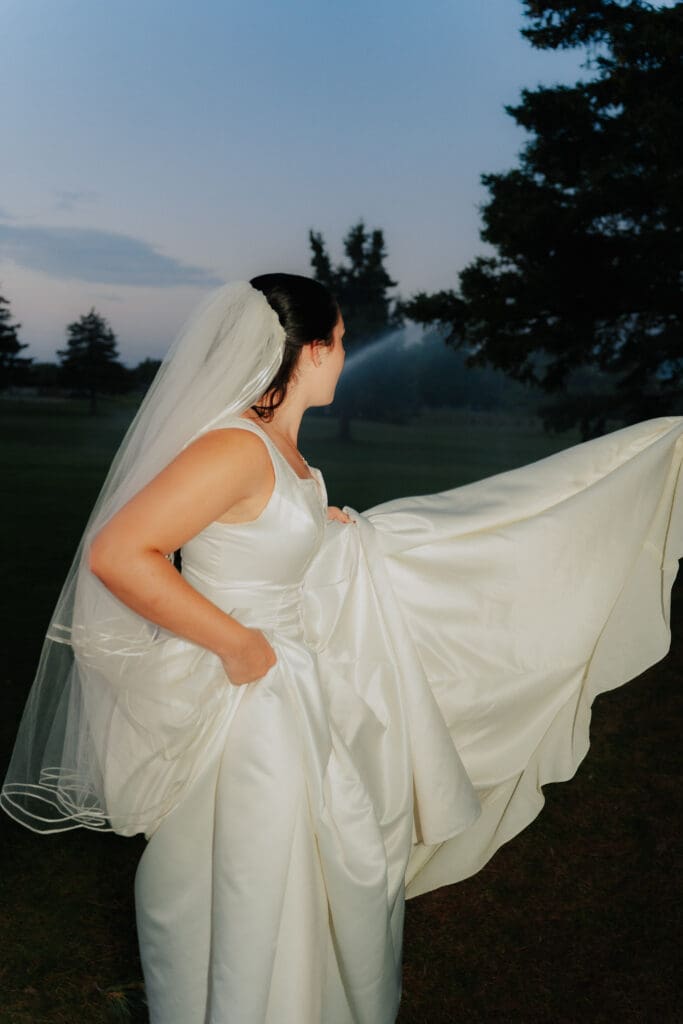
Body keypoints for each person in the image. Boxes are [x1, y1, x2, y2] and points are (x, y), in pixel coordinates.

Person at [2, 273, 682, 1023]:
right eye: (341, 343)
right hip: (249, 704)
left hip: (292, 686)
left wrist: (325, 532)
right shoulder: (234, 445)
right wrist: (239, 648)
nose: (344, 358)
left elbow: (252, 540)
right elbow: (120, 553)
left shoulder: (279, 451)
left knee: (323, 874)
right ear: (309, 350)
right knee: (254, 885)